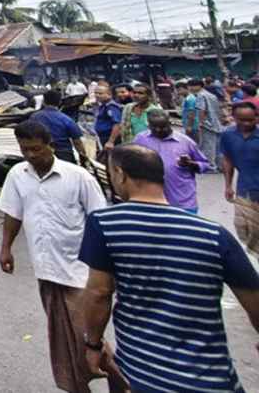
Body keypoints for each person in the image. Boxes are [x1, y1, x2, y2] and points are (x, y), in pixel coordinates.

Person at [80, 145, 259, 393]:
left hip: (143, 376)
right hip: (213, 381)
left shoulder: (106, 224)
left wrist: (93, 345)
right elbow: (254, 298)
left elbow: (99, 293)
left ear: (120, 174)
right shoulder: (213, 234)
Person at [0, 121, 116, 393]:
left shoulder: (78, 177)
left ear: (51, 146)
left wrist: (106, 263)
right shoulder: (18, 175)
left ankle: (122, 381)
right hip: (45, 267)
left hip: (78, 268)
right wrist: (6, 247)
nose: (30, 155)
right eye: (25, 149)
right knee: (62, 337)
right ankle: (77, 385)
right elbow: (13, 213)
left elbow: (99, 220)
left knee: (83, 333)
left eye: (36, 149)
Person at [130, 108, 211, 213]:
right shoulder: (140, 139)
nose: (159, 130)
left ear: (170, 123)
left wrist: (190, 164)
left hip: (182, 201)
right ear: (148, 125)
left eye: (163, 127)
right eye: (154, 127)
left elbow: (205, 165)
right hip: (152, 200)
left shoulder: (185, 142)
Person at [222, 101, 259, 257]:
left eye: (250, 120)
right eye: (241, 120)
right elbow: (227, 159)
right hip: (244, 189)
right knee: (244, 228)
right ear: (234, 118)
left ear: (256, 118)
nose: (246, 123)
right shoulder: (228, 135)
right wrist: (228, 185)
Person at [30, 90, 88, 165]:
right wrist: (83, 157)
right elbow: (77, 142)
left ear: (44, 101)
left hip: (40, 153)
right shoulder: (67, 120)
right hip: (64, 155)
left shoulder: (34, 117)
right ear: (60, 102)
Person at [106, 84, 161, 149]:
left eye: (140, 93)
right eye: (134, 93)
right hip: (130, 146)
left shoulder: (155, 111)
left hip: (149, 148)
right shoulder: (128, 108)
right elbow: (123, 126)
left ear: (149, 96)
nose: (136, 95)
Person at [188, 78, 224, 169]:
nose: (191, 88)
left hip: (207, 124)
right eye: (190, 86)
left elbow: (201, 110)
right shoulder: (211, 95)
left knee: (208, 145)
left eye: (193, 86)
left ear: (200, 86)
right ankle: (220, 165)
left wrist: (201, 123)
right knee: (217, 146)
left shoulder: (200, 96)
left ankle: (210, 166)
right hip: (216, 123)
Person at [91, 85, 123, 149]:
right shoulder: (103, 105)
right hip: (101, 137)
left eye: (100, 93)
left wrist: (110, 142)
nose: (97, 95)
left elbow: (117, 125)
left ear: (109, 94)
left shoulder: (112, 106)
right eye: (95, 93)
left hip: (109, 137)